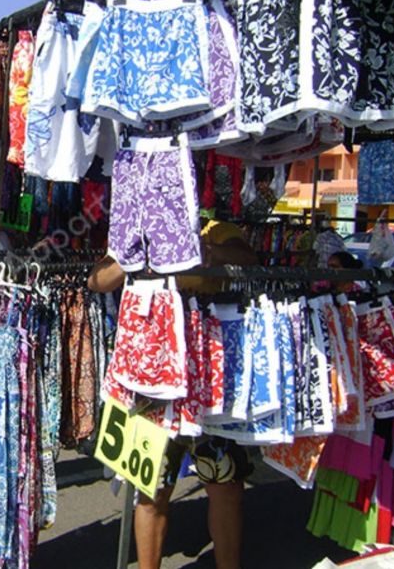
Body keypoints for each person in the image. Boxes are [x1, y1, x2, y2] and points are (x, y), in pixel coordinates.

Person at [88, 219, 256, 569]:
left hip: (207, 374)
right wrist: (134, 255)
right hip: (152, 377)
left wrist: (204, 250)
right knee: (150, 489)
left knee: (225, 484)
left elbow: (248, 259)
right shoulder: (136, 230)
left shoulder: (214, 229)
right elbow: (98, 280)